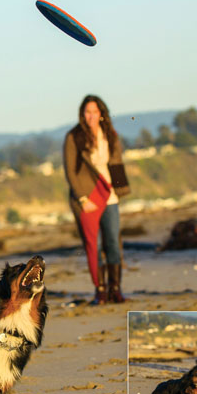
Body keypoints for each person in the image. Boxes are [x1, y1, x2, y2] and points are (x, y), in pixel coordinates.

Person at [64, 95, 130, 304]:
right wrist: (82, 198)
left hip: (109, 195)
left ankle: (116, 289)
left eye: (94, 111)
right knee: (94, 245)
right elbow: (70, 171)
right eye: (87, 112)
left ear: (102, 113)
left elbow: (117, 162)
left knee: (113, 242)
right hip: (88, 196)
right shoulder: (74, 137)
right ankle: (99, 290)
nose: (91, 116)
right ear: (82, 114)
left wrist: (120, 191)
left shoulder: (110, 134)